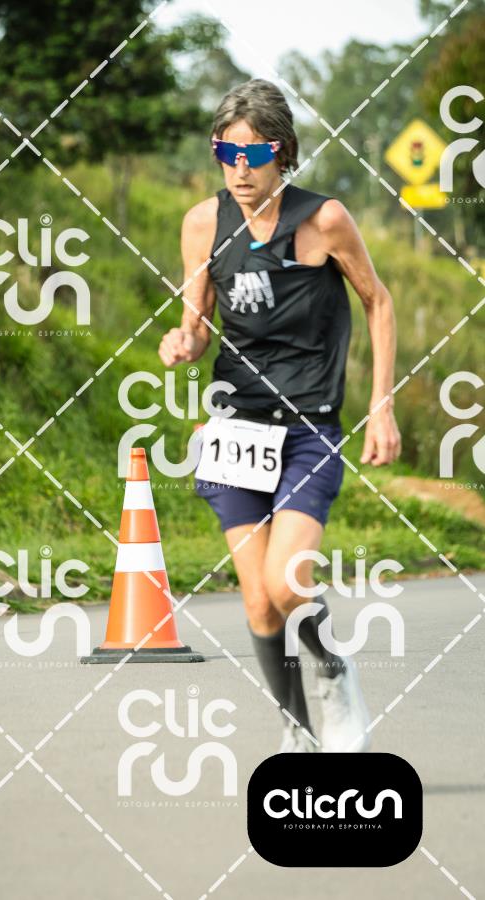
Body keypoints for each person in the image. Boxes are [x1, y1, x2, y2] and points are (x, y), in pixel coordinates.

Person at [158, 79, 401, 753]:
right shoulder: (202, 225)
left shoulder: (324, 220)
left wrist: (382, 406)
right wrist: (183, 341)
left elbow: (378, 302)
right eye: (225, 153)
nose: (239, 169)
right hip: (236, 429)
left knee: (286, 582)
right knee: (258, 601)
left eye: (254, 153)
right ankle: (298, 735)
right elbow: (196, 325)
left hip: (307, 428)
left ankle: (334, 671)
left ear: (283, 153)